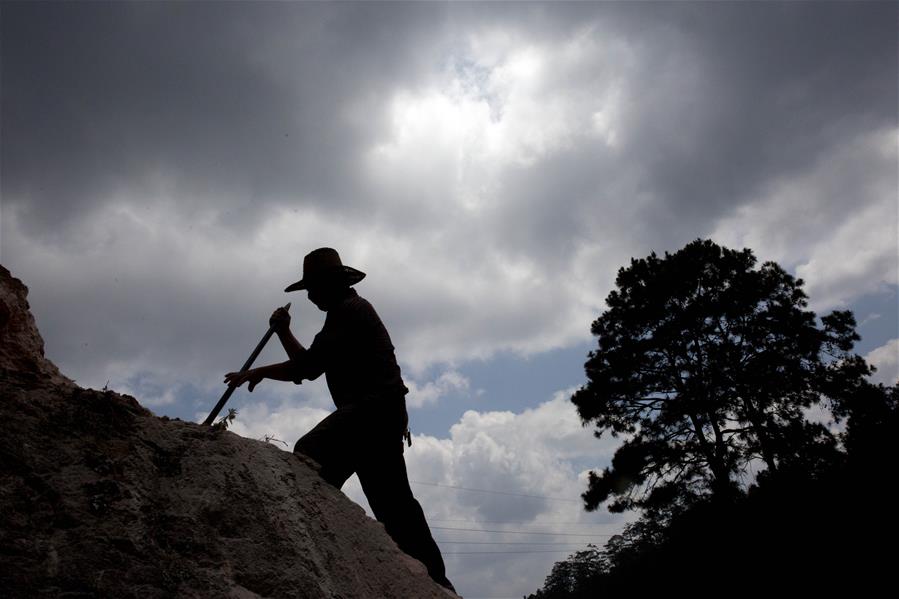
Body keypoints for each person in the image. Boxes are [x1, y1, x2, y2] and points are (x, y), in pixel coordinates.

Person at [224, 247, 455, 593]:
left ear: (332, 284)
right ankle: (438, 584)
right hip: (378, 417)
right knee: (395, 508)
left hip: (372, 412)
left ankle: (315, 542)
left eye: (313, 289)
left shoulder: (350, 312)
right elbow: (310, 364)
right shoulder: (344, 314)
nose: (311, 297)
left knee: (310, 455)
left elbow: (308, 368)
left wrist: (256, 371)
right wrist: (285, 332)